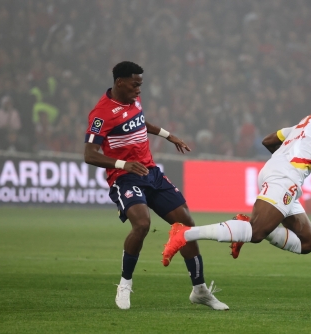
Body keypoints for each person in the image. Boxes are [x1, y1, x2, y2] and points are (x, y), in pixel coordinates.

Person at [161, 113, 311, 270]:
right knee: (257, 233)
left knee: (308, 242)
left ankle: (243, 226)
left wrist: (283, 162)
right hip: (285, 176)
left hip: (279, 172)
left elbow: (269, 140)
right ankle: (185, 233)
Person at [84, 61, 228, 311]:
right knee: (142, 224)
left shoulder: (132, 101)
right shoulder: (101, 114)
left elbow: (140, 121)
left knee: (186, 225)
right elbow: (89, 154)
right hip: (125, 177)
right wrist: (123, 164)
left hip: (151, 173)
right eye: (135, 84)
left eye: (140, 84)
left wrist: (166, 134)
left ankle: (200, 290)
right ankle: (125, 284)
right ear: (120, 82)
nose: (139, 90)